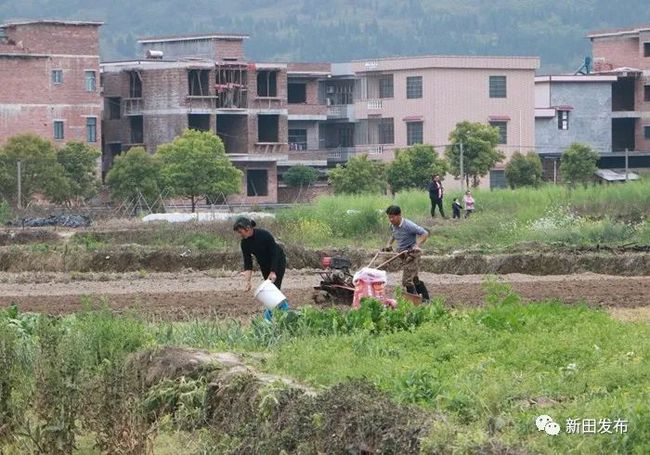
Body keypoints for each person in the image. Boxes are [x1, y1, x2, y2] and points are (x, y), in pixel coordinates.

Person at [233, 217, 288, 319]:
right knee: (270, 288)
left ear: (248, 228)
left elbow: (274, 253)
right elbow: (248, 262)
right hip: (264, 265)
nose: (240, 235)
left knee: (274, 289)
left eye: (241, 232)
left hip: (278, 261)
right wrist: (247, 281)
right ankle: (278, 314)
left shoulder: (264, 235)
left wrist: (273, 271)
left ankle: (278, 314)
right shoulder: (244, 243)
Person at [382, 205, 430, 302]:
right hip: (403, 254)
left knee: (407, 280)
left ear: (399, 215)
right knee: (414, 278)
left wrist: (417, 245)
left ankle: (413, 302)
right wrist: (389, 244)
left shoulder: (408, 225)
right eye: (389, 217)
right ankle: (425, 300)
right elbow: (393, 235)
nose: (391, 219)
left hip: (412, 254)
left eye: (393, 217)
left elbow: (424, 233)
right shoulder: (392, 225)